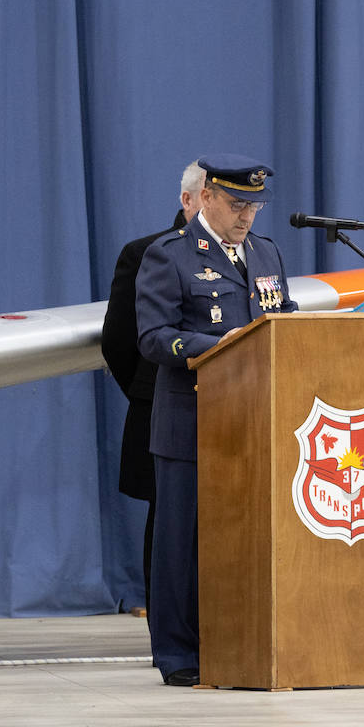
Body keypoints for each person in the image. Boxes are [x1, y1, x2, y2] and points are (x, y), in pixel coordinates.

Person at [134, 154, 298, 686]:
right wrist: (217, 346)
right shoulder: (171, 255)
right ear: (204, 197)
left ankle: (237, 642)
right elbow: (153, 337)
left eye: (254, 206)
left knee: (246, 540)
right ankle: (179, 655)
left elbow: (282, 320)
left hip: (255, 424)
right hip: (193, 421)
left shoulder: (266, 253)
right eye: (235, 204)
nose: (246, 216)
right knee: (181, 545)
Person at [100, 163, 207, 615]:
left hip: (238, 406)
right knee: (169, 516)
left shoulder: (251, 256)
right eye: (217, 198)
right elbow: (120, 341)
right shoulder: (146, 252)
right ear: (188, 201)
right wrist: (150, 395)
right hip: (164, 404)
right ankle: (168, 629)